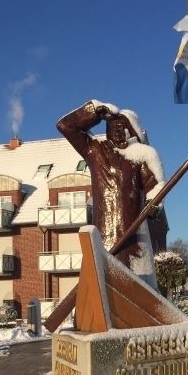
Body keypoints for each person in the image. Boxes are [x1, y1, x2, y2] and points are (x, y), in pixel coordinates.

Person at [57, 100, 164, 287]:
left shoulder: (140, 156)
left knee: (134, 290)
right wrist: (95, 111)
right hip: (103, 241)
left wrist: (153, 204)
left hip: (133, 244)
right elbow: (65, 126)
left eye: (122, 126)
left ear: (131, 130)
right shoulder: (95, 151)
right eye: (112, 126)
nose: (117, 130)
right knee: (101, 288)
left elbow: (155, 188)